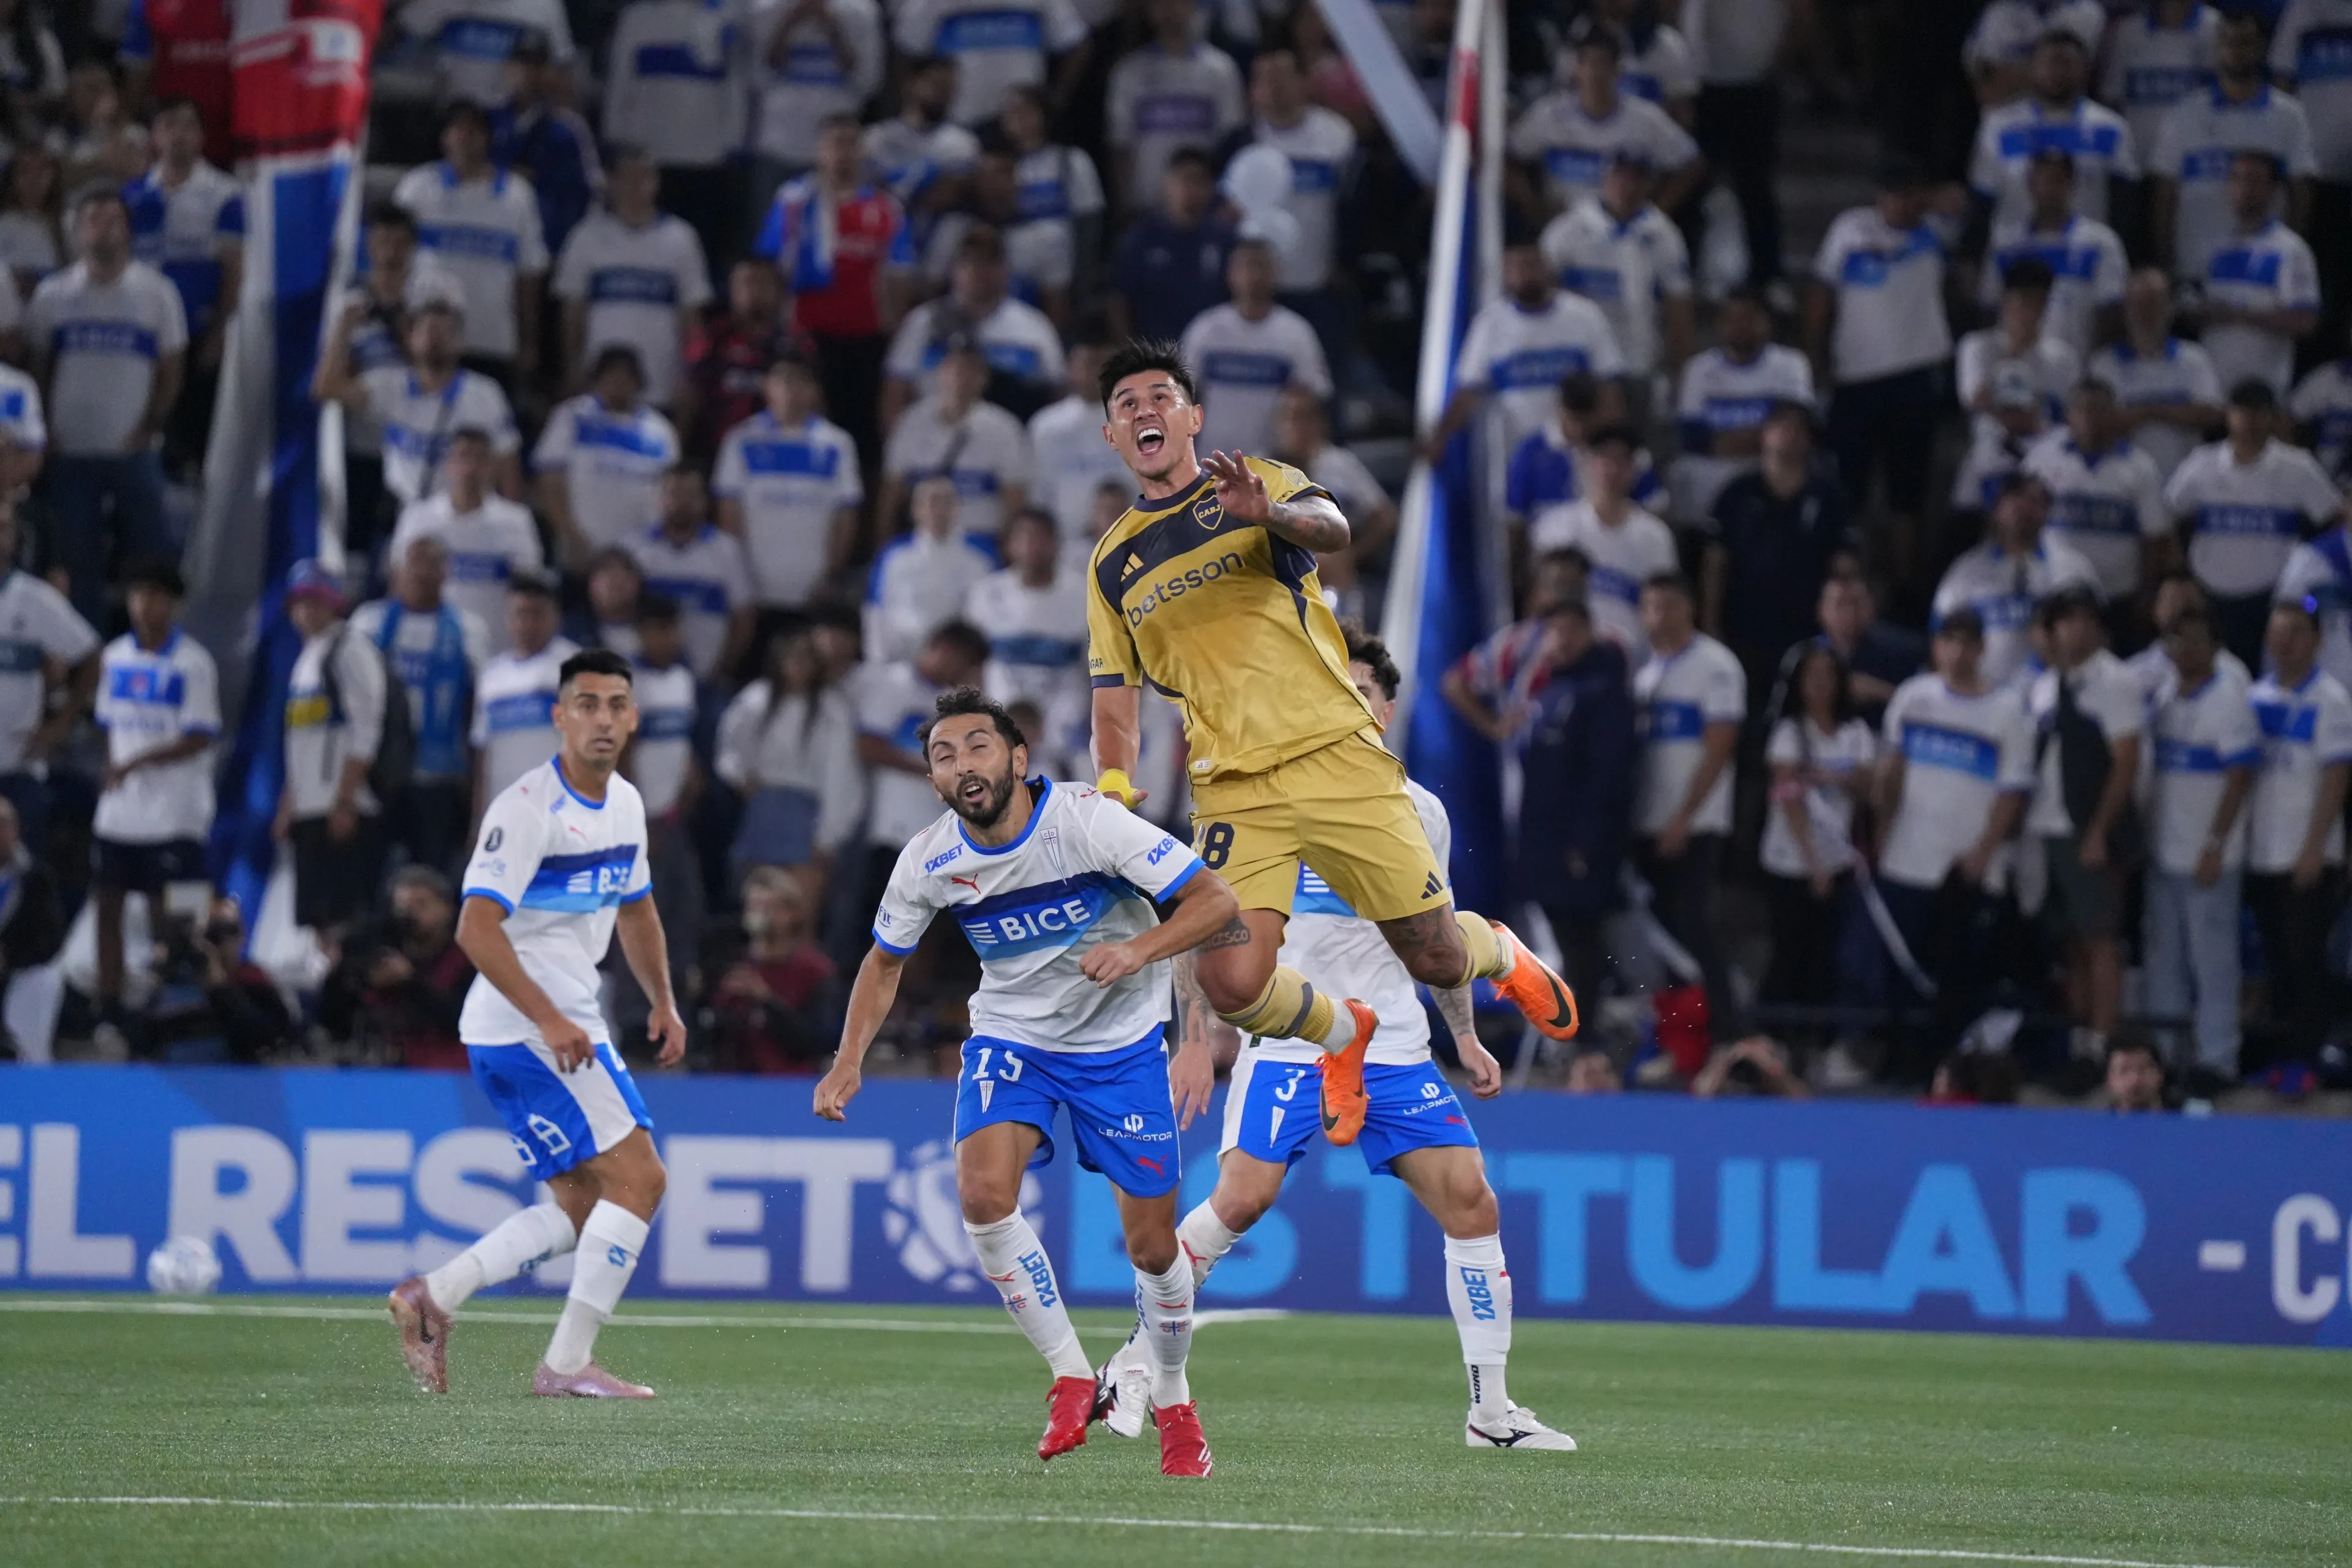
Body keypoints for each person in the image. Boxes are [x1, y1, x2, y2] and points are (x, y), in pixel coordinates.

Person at [1088, 340, 1582, 1144]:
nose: (1145, 411)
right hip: (1235, 789)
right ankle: (1341, 1031)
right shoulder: (1112, 563)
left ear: (1193, 417)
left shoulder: (1255, 482)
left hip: (1334, 757)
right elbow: (1114, 691)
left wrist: (1269, 515)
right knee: (1230, 982)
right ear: (1112, 435)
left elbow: (1336, 527)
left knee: (1434, 960)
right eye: (1127, 405)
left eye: (1160, 397)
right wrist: (1113, 788)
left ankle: (1495, 949)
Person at [1096, 627, 1570, 1452]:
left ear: (1385, 712)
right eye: (1332, 691)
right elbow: (1201, 922)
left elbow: (1431, 938)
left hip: (1390, 1043)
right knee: (1242, 1202)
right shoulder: (1257, 797)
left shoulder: (1419, 812)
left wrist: (1463, 1037)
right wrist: (1192, 1037)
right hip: (1289, 1038)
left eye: (1363, 694)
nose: (1348, 705)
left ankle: (1491, 1413)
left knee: (1472, 1202)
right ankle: (1135, 1362)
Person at [813, 685, 1234, 1473]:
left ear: (1016, 758)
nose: (961, 764)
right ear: (933, 779)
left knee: (1152, 1250)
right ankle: (1073, 1377)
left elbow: (1214, 901)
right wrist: (848, 1060)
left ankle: (1174, 1396)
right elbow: (883, 962)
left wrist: (1143, 961)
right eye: (943, 755)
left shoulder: (1089, 821)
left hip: (1121, 1047)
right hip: (1015, 1037)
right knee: (980, 1196)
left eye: (977, 746)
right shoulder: (930, 858)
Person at [389, 647, 687, 1400]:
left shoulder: (623, 804)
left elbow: (639, 907)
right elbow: (475, 928)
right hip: (531, 1028)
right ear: (559, 716)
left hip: (524, 1030)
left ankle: (437, 1295)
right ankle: (564, 1366)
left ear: (634, 718)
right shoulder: (524, 808)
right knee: (643, 1177)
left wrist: (663, 998)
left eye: (617, 704)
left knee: (586, 1205)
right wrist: (550, 1017)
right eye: (586, 703)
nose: (604, 718)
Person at [1872, 609, 2034, 1081]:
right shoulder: (1912, 698)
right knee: (1898, 971)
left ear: (1982, 649)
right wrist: (1883, 829)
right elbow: (1894, 767)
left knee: (1956, 975)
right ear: (1936, 647)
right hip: (1906, 858)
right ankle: (1895, 1060)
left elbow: (2013, 790)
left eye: (1968, 643)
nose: (1958, 653)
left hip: (1964, 867)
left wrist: (1984, 852)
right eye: (1949, 642)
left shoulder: (2006, 710)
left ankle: (1949, 1068)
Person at [25, 187, 186, 622]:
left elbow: (171, 369)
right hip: (69, 452)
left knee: (153, 554)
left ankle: (155, 644)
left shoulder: (157, 293)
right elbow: (39, 369)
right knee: (76, 563)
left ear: (129, 230)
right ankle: (85, 663)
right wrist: (44, 430)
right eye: (94, 219)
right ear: (79, 231)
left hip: (133, 451)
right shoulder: (53, 295)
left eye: (113, 219)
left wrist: (150, 425)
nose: (104, 228)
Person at [1806, 158, 1952, 587]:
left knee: (1908, 496)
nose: (1903, 204)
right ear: (1879, 196)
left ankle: (1906, 588)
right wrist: (1816, 355)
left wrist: (1935, 203)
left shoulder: (1938, 231)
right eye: (1895, 194)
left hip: (1915, 378)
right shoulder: (1850, 231)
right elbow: (1821, 290)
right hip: (1855, 380)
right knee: (1846, 492)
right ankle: (1844, 585)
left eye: (1912, 194)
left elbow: (1965, 203)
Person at [89, 557, 218, 1038]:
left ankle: (178, 999)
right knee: (109, 904)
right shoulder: (115, 656)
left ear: (174, 603)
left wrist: (137, 763)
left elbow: (200, 735)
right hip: (121, 812)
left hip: (176, 813)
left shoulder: (193, 663)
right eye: (138, 595)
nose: (145, 605)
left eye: (156, 596)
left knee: (175, 912)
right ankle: (110, 1005)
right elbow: (108, 724)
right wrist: (115, 763)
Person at [2023, 587, 2144, 1059]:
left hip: (2089, 831)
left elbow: (2126, 762)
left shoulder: (2116, 681)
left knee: (2100, 938)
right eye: (2064, 622)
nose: (2075, 630)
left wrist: (2099, 831)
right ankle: (2078, 1040)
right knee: (2069, 940)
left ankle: (2103, 1042)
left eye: (2083, 620)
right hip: (2046, 826)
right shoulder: (2044, 685)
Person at [755, 113, 913, 470]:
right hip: (807, 337)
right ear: (819, 151)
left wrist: (891, 336)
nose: (843, 153)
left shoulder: (886, 209)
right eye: (835, 144)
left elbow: (899, 278)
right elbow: (770, 267)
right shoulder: (794, 202)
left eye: (851, 143)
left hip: (864, 341)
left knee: (860, 438)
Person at [2144, 606, 2260, 1087]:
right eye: (2176, 641)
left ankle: (2218, 1061)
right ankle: (2167, 1057)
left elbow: (2240, 777)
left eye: (2194, 640)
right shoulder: (2164, 695)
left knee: (2212, 965)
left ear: (2214, 647)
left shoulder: (2230, 700)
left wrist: (2216, 844)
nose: (2184, 650)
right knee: (2163, 960)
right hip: (2163, 852)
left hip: (2210, 858)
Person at [1632, 572, 1746, 1039]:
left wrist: (1683, 817)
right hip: (1648, 822)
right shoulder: (1646, 673)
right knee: (1664, 940)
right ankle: (1682, 1036)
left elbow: (1720, 747)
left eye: (1669, 605)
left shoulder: (1715, 666)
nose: (1659, 616)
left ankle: (1729, 1031)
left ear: (1689, 608)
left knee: (1697, 929)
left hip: (1694, 824)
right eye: (1651, 606)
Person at [2165, 379, 2343, 667]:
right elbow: (2166, 516)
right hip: (2210, 600)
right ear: (2229, 415)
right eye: (2242, 412)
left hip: (2272, 602)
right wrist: (2180, 577)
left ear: (2272, 417)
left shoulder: (2297, 467)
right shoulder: (2202, 465)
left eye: (2258, 413)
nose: (2250, 421)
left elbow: (2334, 519)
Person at [2244, 599, 2352, 1072]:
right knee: (2276, 961)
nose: (2285, 641)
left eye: (2296, 632)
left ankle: (2310, 1059)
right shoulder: (2256, 696)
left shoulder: (2331, 699)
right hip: (2262, 852)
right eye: (2278, 632)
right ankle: (2283, 1053)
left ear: (2316, 641)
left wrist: (2315, 847)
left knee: (2306, 960)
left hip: (2307, 855)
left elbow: (2336, 778)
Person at [1515, 598, 1636, 1017]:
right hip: (1545, 840)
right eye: (1555, 632)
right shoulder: (1549, 689)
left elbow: (1608, 774)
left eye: (1570, 631)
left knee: (1583, 936)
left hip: (1580, 845)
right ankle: (1573, 1031)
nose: (1562, 641)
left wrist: (1588, 839)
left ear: (1589, 632)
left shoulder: (1604, 692)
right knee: (1562, 935)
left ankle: (1586, 1034)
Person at [352, 537, 492, 876]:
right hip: (380, 775)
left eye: (434, 563)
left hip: (440, 775)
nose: (423, 572)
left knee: (434, 874)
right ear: (396, 569)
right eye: (416, 561)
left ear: (447, 573)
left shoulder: (469, 630)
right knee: (374, 875)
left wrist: (473, 783)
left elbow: (477, 709)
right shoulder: (368, 624)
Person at [316, 281, 525, 508]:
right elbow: (327, 388)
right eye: (427, 330)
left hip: (465, 517)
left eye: (446, 331)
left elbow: (507, 464)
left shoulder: (485, 394)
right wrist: (344, 327)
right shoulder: (390, 386)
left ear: (461, 342)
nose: (435, 339)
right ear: (410, 340)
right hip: (407, 517)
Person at [1423, 232, 1625, 461]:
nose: (1525, 275)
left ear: (1546, 267)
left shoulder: (1585, 316)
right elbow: (1468, 392)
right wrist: (1439, 438)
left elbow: (1610, 388)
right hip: (1516, 453)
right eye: (1516, 268)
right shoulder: (1490, 324)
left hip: (1579, 451)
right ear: (1505, 275)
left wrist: (1611, 443)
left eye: (1531, 265)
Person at [2148, 9, 2316, 281]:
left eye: (2246, 42)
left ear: (2262, 49)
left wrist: (2291, 254)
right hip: (2195, 265)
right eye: (2228, 42)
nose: (2236, 50)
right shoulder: (2185, 113)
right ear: (2217, 48)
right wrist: (2166, 258)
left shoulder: (2289, 115)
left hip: (2266, 270)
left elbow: (2301, 191)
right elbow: (2165, 192)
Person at [123, 94, 241, 471]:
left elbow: (234, 270)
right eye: (170, 125)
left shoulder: (225, 194)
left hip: (197, 331)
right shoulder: (133, 195)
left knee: (193, 434)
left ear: (203, 137)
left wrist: (219, 333)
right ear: (155, 137)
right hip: (141, 331)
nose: (179, 135)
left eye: (189, 125)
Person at [1702, 402, 1854, 693]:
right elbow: (1715, 563)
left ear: (1809, 440)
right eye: (1780, 425)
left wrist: (1838, 628)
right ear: (1764, 435)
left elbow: (1844, 566)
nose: (1789, 433)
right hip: (1744, 624)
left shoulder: (1829, 496)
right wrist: (1711, 623)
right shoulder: (1737, 493)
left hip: (1807, 627)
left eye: (1798, 428)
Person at [393, 102, 549, 386]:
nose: (464, 137)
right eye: (457, 129)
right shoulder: (417, 188)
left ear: (488, 138)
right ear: (445, 136)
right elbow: (393, 259)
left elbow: (528, 275)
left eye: (473, 130)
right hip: (428, 342)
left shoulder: (517, 195)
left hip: (492, 339)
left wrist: (529, 340)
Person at [1760, 641, 1874, 1023]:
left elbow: (1865, 786)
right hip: (1792, 862)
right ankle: (1777, 1030)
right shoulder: (1790, 732)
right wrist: (1813, 864)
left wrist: (1825, 776)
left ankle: (1818, 1033)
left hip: (1839, 857)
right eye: (1813, 676)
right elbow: (1790, 797)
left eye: (1829, 675)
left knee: (1826, 954)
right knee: (1789, 950)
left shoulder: (1855, 732)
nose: (1821, 684)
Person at [276, 562, 388, 949]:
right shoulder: (306, 659)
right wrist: (289, 803)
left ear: (334, 604)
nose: (307, 611)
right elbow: (302, 742)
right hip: (311, 805)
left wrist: (346, 800)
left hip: (341, 803)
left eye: (316, 602)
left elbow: (366, 728)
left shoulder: (351, 650)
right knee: (317, 917)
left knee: (343, 916)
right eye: (301, 602)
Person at [714, 352, 864, 636]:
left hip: (813, 590)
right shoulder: (741, 440)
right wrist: (739, 578)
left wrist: (833, 574)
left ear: (814, 391)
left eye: (799, 382)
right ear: (767, 387)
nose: (790, 390)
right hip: (756, 590)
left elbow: (846, 515)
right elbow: (729, 513)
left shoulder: (837, 444)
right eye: (782, 381)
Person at [552, 149, 713, 410]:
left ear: (656, 183)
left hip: (661, 385)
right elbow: (572, 314)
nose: (635, 185)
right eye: (627, 177)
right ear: (612, 182)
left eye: (643, 177)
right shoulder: (586, 236)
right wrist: (573, 369)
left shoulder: (681, 239)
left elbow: (693, 318)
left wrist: (691, 374)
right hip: (599, 386)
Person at [714, 627, 864, 899]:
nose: (798, 668)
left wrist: (828, 837)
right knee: (758, 906)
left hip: (807, 815)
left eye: (806, 660)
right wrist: (739, 776)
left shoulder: (832, 708)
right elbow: (729, 745)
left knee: (799, 906)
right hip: (764, 807)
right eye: (792, 659)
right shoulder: (757, 698)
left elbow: (840, 775)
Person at [1508, 17, 1702, 218]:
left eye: (1603, 64)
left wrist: (1653, 215)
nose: (1594, 73)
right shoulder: (1550, 114)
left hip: (1625, 237)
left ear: (1618, 70)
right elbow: (1507, 156)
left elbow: (1691, 165)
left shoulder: (1645, 118)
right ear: (1576, 69)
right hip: (1563, 229)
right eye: (1587, 63)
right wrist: (1534, 207)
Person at [598, 2, 747, 262]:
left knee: (703, 256)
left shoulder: (725, 19)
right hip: (649, 160)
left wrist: (733, 146)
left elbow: (736, 90)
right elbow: (620, 85)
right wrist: (616, 142)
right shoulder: (637, 18)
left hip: (706, 162)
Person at [881, 225, 1065, 428]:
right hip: (934, 444)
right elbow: (896, 392)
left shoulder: (1034, 327)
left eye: (990, 262)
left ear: (1006, 270)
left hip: (1011, 446)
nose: (981, 271)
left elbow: (1058, 396)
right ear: (955, 269)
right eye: (972, 261)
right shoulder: (924, 323)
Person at [1930, 475, 2100, 689]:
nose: (2025, 509)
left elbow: (2098, 640)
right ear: (1996, 510)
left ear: (2047, 511)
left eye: (2035, 501)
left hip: (2055, 696)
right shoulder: (1967, 570)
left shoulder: (2073, 567)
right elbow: (1940, 636)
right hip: (1983, 697)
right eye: (2016, 500)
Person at [1668, 283, 1814, 527]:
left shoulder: (1791, 364)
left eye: (1749, 317)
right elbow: (1692, 437)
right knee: (1682, 471)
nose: (1740, 326)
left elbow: (1797, 427)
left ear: (1767, 323)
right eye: (1732, 318)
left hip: (1769, 471)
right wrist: (1760, 436)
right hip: (1714, 471)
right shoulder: (1699, 368)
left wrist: (1728, 442)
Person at [386, 426, 545, 649]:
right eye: (463, 457)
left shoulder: (516, 521)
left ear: (491, 467)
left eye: (480, 459)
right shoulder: (418, 517)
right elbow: (398, 583)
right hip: (434, 646)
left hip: (496, 646)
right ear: (449, 464)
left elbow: (528, 588)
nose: (470, 468)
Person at [1530, 424, 1678, 660]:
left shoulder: (1655, 536)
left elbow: (1665, 611)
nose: (1611, 470)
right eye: (1603, 459)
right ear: (1588, 465)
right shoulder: (1556, 526)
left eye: (1621, 461)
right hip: (1565, 659)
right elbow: (1539, 601)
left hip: (1631, 662)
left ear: (1634, 470)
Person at [2022, 379, 2173, 608]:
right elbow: (2018, 522)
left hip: (2119, 594)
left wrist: (2147, 594)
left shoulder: (2140, 466)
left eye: (2098, 409)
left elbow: (2154, 538)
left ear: (2114, 414)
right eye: (2081, 409)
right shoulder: (2041, 459)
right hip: (2054, 590)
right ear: (2068, 415)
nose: (2089, 417)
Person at [0, 503, 99, 854]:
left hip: (17, 768)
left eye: (4, 528)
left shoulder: (34, 598)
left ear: (14, 539)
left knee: (21, 885)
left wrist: (61, 724)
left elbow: (92, 655)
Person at [1967, 29, 2138, 232]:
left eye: (2066, 63)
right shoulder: (1999, 126)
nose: (2057, 72)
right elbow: (1983, 200)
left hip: (2087, 254)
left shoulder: (2111, 128)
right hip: (2016, 253)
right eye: (2049, 63)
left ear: (2085, 69)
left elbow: (2126, 206)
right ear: (2032, 67)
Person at [1177, 238, 1331, 461]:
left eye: (1261, 266)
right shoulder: (1206, 329)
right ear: (1230, 274)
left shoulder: (1296, 333)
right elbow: (1182, 396)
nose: (1253, 276)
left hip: (1272, 467)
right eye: (1246, 266)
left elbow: (1313, 398)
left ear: (1275, 274)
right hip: (1210, 461)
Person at [1224, 47, 1357, 303]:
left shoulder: (1337, 135)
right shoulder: (1241, 142)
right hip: (1259, 288)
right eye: (1265, 80)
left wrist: (1345, 261)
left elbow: (1352, 204)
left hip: (1321, 279)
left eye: (1281, 78)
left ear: (1303, 82)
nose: (1274, 88)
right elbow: (1224, 210)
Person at [530, 346, 682, 569]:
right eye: (611, 375)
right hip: (580, 552)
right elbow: (549, 482)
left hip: (642, 559)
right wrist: (570, 534)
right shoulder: (571, 417)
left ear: (639, 381)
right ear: (596, 379)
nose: (619, 382)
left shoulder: (660, 431)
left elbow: (672, 493)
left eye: (627, 375)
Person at [1952, 257, 2078, 514]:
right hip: (1990, 460)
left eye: (2036, 302)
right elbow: (1976, 399)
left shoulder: (2063, 357)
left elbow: (2072, 416)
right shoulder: (1978, 347)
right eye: (2022, 300)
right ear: (2005, 301)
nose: (2028, 311)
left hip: (2045, 468)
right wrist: (2014, 354)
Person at [1980, 148, 2127, 360]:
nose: (2050, 189)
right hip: (2019, 368)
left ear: (2072, 184)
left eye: (2058, 180)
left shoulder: (2100, 242)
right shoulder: (2006, 245)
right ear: (2030, 185)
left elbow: (2112, 311)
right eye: (2043, 180)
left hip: (2081, 365)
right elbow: (1990, 306)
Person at [2198, 152, 2320, 402]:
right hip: (2213, 392)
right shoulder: (2215, 248)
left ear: (2274, 189)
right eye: (2238, 179)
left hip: (2262, 392)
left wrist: (2239, 315)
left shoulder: (2290, 250)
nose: (2245, 188)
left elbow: (2305, 320)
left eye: (2255, 181)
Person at [330, 865, 476, 1070]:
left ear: (447, 909)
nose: (410, 916)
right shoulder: (382, 951)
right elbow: (333, 1015)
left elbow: (460, 1020)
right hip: (385, 1067)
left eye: (421, 905)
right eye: (402, 908)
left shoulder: (467, 959)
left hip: (450, 1073)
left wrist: (410, 982)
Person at [2089, 266, 2225, 481]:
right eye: (2138, 304)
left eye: (2153, 303)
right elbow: (2096, 421)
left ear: (2170, 307)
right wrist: (2174, 411)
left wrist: (2147, 411)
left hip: (2184, 480)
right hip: (2123, 481)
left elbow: (2211, 414)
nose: (2145, 313)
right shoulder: (2104, 363)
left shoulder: (2194, 359)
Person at [1105, 0, 1244, 210]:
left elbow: (1231, 141)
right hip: (1147, 206)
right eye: (1161, 5)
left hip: (1204, 208)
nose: (1170, 12)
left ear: (1193, 8)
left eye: (1178, 3)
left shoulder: (1221, 70)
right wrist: (1125, 204)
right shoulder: (1129, 72)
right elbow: (1121, 145)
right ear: (1150, 12)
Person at [627, 466, 754, 683]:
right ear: (659, 499)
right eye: (674, 493)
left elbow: (744, 616)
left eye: (691, 494)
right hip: (644, 679)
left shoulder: (726, 550)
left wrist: (724, 668)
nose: (682, 502)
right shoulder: (634, 549)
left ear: (705, 501)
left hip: (708, 678)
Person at [677, 258, 810, 464]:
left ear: (779, 291)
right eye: (747, 283)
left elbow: (812, 403)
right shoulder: (712, 339)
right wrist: (680, 446)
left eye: (763, 283)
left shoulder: (796, 345)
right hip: (715, 452)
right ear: (732, 291)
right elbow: (691, 395)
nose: (755, 291)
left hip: (775, 457)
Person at [488, 31, 603, 263]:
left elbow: (587, 192)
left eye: (537, 66)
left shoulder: (569, 129)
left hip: (549, 246)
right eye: (523, 65)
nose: (529, 74)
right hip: (498, 241)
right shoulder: (489, 123)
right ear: (510, 68)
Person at [707, 864, 835, 1074]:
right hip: (734, 1086)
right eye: (754, 908)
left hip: (792, 1086)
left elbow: (817, 1042)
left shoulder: (815, 971)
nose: (761, 917)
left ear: (791, 914)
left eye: (770, 909)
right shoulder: (730, 967)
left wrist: (765, 999)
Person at [1107, 149, 1240, 345]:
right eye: (1183, 180)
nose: (1190, 189)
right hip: (1154, 352)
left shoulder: (1226, 240)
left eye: (1199, 181)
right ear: (1166, 184)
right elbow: (1118, 299)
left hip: (1211, 353)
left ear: (1211, 188)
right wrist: (1131, 351)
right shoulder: (1141, 237)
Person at [472, 572, 581, 813]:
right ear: (508, 618)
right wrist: (479, 818)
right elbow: (483, 753)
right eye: (521, 614)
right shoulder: (491, 676)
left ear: (555, 617)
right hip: (506, 809)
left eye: (537, 614)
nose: (528, 623)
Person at [965, 506, 1087, 720]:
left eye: (1041, 538)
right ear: (1010, 545)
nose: (1033, 546)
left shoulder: (1084, 594)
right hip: (1001, 702)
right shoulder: (986, 593)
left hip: (1063, 706)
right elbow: (970, 663)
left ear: (1056, 544)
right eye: (1025, 538)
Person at [892, 0, 1088, 128]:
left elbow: (1077, 45)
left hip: (1023, 125)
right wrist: (914, 104)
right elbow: (906, 49)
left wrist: (1056, 100)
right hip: (957, 123)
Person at [1028, 334, 1136, 540]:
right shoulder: (1045, 426)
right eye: (1087, 364)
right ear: (1070, 368)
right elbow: (1038, 495)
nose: (1094, 373)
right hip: (1063, 546)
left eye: (1102, 365)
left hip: (1129, 540)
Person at [2102, 0, 2220, 156]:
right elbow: (2112, 100)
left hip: (2195, 158)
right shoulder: (2128, 32)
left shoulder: (2214, 26)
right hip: (2137, 157)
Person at [0, 794, 65, 1061]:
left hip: (20, 972)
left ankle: (31, 1061)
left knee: (44, 980)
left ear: (15, 830)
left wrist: (9, 957)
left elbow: (50, 936)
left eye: (3, 824)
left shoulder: (36, 878)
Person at [1818, 572, 1924, 723]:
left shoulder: (1902, 653)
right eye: (1840, 604)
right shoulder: (1809, 656)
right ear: (1822, 612)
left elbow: (1924, 707)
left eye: (1856, 603)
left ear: (1871, 608)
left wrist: (1879, 691)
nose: (1850, 613)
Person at [2103, 1029, 2169, 1112]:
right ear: (2108, 1080)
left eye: (2144, 1069)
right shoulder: (2092, 1120)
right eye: (2124, 1070)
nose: (2135, 1081)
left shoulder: (2186, 1116)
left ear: (2160, 1074)